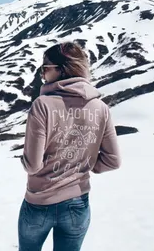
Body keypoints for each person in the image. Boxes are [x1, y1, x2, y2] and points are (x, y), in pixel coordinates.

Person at [18, 41, 121, 251]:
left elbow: (33, 165)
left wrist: (25, 159)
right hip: (78, 202)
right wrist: (85, 164)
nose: (42, 75)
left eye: (44, 68)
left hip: (39, 202)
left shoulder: (43, 105)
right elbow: (113, 161)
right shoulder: (100, 107)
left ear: (61, 69)